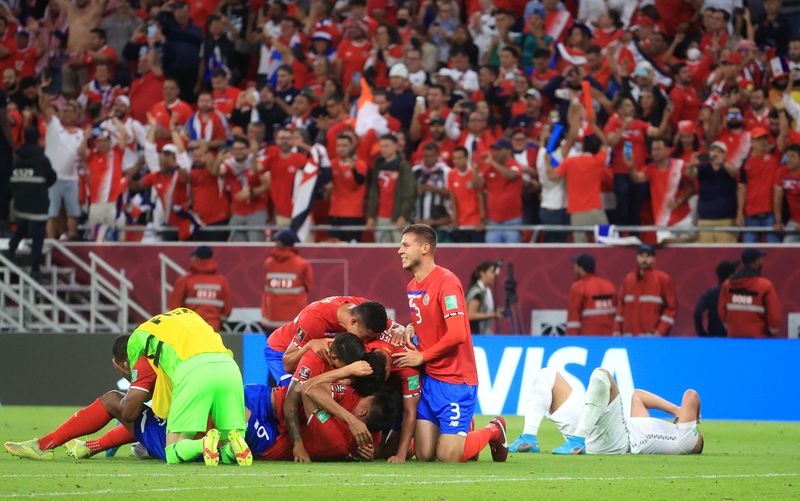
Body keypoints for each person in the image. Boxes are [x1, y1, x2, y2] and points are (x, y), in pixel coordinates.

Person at [393, 224, 507, 462]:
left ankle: (494, 429)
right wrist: (412, 330)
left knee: (448, 457)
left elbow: (457, 334)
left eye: (405, 245)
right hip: (431, 380)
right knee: (424, 455)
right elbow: (431, 323)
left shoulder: (447, 282)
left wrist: (422, 357)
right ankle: (463, 429)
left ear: (425, 248)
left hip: (456, 380)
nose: (399, 251)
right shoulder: (412, 286)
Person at [124, 308, 251, 466]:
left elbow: (138, 374)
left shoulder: (138, 335)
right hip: (229, 367)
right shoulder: (190, 314)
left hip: (192, 369)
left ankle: (203, 444)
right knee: (228, 441)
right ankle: (234, 447)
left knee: (172, 450)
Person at [509, 367, 703, 456]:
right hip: (599, 432)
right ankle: (528, 438)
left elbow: (691, 395)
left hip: (616, 442)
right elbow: (638, 397)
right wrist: (676, 410)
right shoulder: (653, 429)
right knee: (548, 376)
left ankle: (577, 443)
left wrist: (687, 413)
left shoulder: (684, 440)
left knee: (602, 376)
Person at [263, 296, 388, 387]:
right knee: (293, 392)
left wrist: (399, 328)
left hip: (314, 352)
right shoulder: (314, 319)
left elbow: (391, 324)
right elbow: (287, 364)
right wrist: (309, 345)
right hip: (281, 351)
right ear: (353, 322)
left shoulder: (362, 307)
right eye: (365, 337)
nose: (365, 342)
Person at [7, 127, 56, 280]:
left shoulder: (17, 157)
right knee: (37, 237)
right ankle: (35, 269)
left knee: (21, 229)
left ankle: (11, 251)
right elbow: (52, 177)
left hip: (21, 203)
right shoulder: (41, 158)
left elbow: (11, 180)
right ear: (37, 138)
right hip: (37, 204)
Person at [615, 244, 677, 337]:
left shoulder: (663, 279)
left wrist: (660, 331)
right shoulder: (628, 279)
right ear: (636, 257)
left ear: (654, 259)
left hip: (652, 340)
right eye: (641, 256)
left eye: (648, 256)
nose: (644, 260)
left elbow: (672, 309)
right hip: (629, 338)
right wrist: (617, 330)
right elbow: (621, 307)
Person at [718, 249, 782, 338]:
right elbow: (774, 315)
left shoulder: (727, 284)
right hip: (758, 339)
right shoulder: (765, 286)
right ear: (755, 262)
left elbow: (722, 310)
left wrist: (731, 327)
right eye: (760, 259)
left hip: (734, 338)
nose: (762, 262)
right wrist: (773, 331)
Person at [168, 246, 232, 332]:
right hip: (213, 328)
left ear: (197, 258)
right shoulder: (222, 281)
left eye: (193, 256)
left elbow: (174, 306)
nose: (191, 259)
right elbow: (227, 308)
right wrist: (219, 321)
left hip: (190, 328)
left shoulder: (185, 280)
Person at [366, 134, 415, 243]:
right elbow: (374, 193)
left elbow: (409, 194)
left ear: (395, 147)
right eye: (382, 146)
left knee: (402, 253)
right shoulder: (378, 166)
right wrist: (371, 215)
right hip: (381, 217)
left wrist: (403, 215)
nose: (383, 149)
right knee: (383, 254)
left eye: (386, 146)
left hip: (398, 217)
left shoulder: (404, 167)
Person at [261, 230, 313, 331]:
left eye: (278, 241)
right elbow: (308, 286)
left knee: (272, 347)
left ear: (283, 243)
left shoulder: (268, 263)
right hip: (293, 322)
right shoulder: (302, 264)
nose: (275, 243)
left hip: (271, 320)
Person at [480, 139, 523, 244]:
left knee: (512, 255)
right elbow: (478, 185)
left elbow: (511, 175)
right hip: (493, 221)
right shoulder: (488, 168)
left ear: (508, 151)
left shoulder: (514, 165)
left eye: (499, 149)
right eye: (494, 150)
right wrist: (477, 168)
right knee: (492, 254)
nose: (495, 152)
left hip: (512, 220)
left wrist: (492, 163)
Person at [566, 254, 617, 336]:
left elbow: (573, 320)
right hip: (608, 337)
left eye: (576, 266)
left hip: (588, 338)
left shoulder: (578, 287)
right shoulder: (609, 285)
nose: (574, 269)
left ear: (581, 268)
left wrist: (570, 341)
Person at [694, 260, 738, 337]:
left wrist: (701, 333)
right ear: (732, 275)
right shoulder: (740, 293)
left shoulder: (710, 293)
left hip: (715, 337)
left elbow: (698, 312)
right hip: (735, 337)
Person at [465, 261, 503, 335]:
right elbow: (470, 315)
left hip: (484, 334)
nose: (494, 275)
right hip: (474, 336)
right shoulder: (477, 292)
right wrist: (494, 314)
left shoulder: (487, 290)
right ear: (482, 273)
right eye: (491, 272)